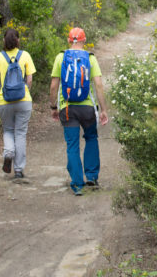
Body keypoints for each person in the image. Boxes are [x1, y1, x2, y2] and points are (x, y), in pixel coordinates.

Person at [49, 27, 109, 196]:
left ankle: (77, 184)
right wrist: (103, 109)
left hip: (67, 108)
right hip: (87, 108)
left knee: (72, 145)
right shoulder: (90, 58)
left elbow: (54, 85)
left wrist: (53, 107)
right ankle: (91, 177)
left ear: (69, 40)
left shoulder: (61, 57)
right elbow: (98, 85)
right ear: (84, 40)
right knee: (91, 138)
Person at [0, 28, 36, 179]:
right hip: (23, 100)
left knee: (8, 130)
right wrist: (26, 91)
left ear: (3, 41)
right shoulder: (25, 55)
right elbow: (30, 79)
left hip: (4, 100)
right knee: (20, 133)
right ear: (18, 40)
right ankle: (19, 170)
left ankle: (8, 152)